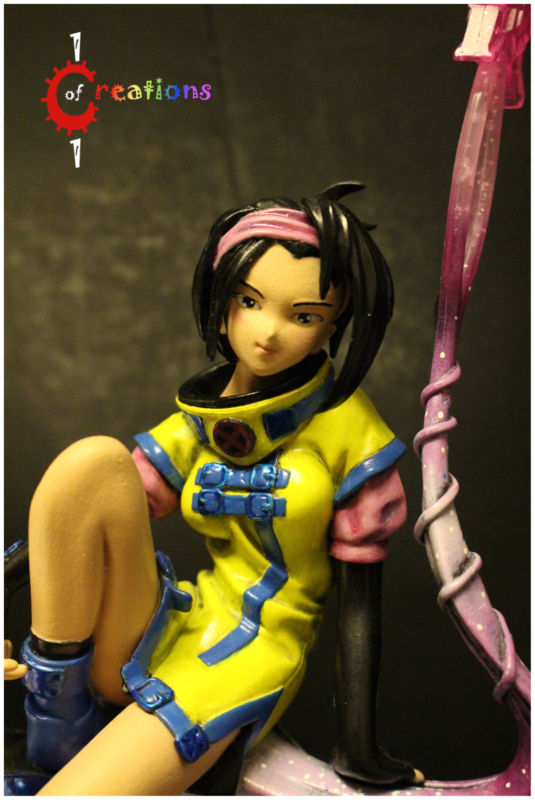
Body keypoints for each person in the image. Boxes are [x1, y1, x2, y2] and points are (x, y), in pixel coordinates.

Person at [4, 182, 422, 795]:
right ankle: (58, 716)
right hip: (176, 620)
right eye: (251, 302)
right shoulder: (198, 423)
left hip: (255, 654)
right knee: (91, 464)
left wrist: (358, 748)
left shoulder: (351, 438)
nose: (268, 332)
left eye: (304, 315)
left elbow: (360, 606)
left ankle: (72, 751)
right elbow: (88, 513)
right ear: (222, 299)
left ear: (335, 324)